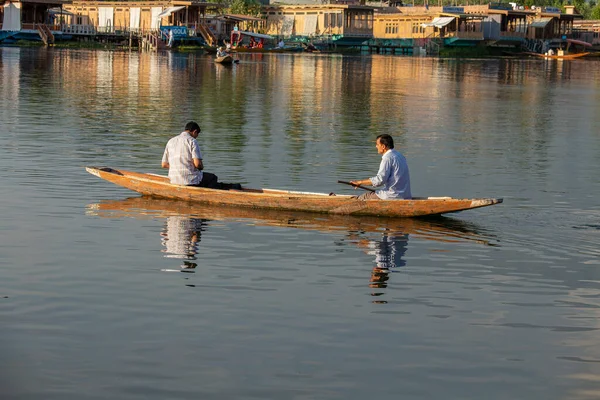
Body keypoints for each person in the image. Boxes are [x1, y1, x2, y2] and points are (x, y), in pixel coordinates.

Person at [349, 134, 411, 200]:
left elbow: (380, 180)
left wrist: (360, 182)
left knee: (363, 198)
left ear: (383, 146)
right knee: (374, 193)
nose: (376, 146)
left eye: (377, 144)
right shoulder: (399, 155)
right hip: (405, 195)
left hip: (392, 196)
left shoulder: (387, 158)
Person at [161, 121, 220, 188]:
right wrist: (201, 168)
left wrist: (177, 167)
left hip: (173, 180)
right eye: (197, 135)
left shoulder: (171, 141)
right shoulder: (192, 141)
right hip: (190, 180)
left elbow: (164, 164)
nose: (196, 137)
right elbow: (198, 164)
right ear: (195, 131)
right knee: (213, 177)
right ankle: (208, 195)